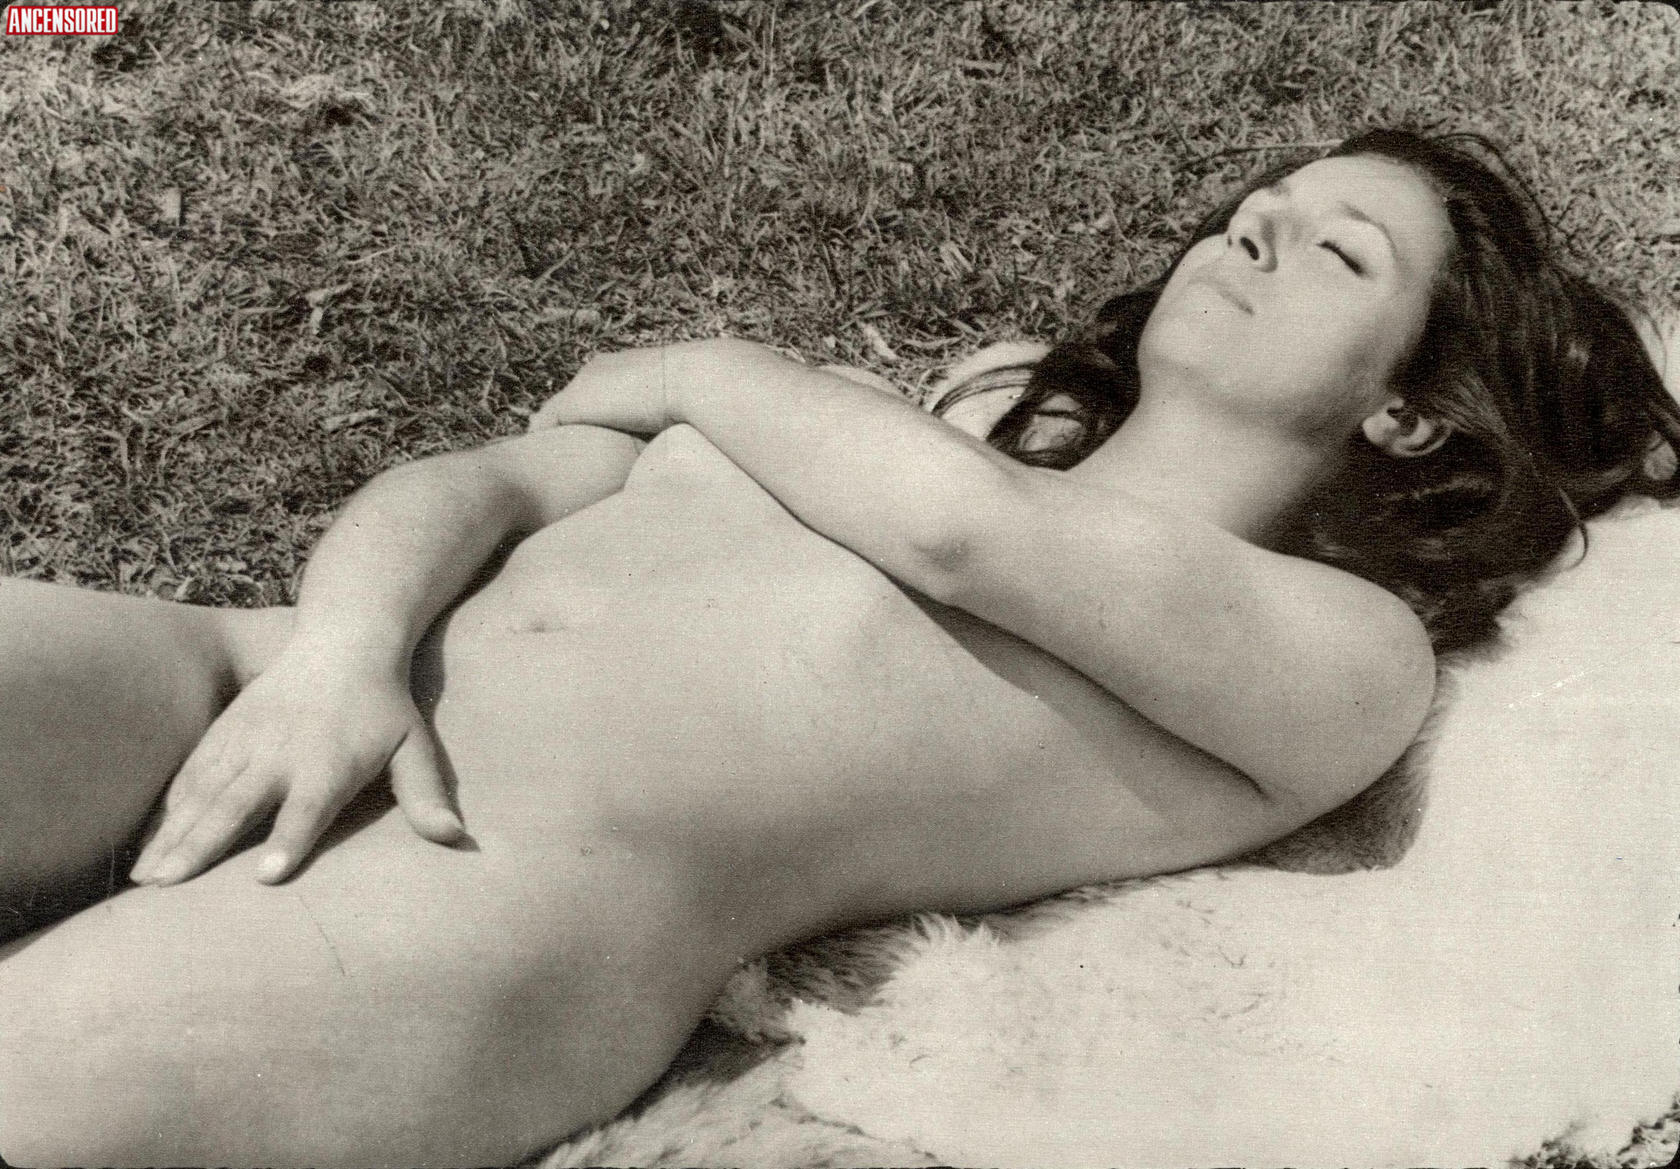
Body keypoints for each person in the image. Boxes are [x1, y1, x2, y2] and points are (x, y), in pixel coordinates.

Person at [1, 129, 1675, 1165]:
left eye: (1336, 251)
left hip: (478, 887)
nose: (1255, 229)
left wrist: (688, 366)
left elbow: (965, 536)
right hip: (262, 672)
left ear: (1407, 410)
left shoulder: (1343, 651)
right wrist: (346, 647)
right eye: (1264, 204)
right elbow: (490, 477)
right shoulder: (859, 422)